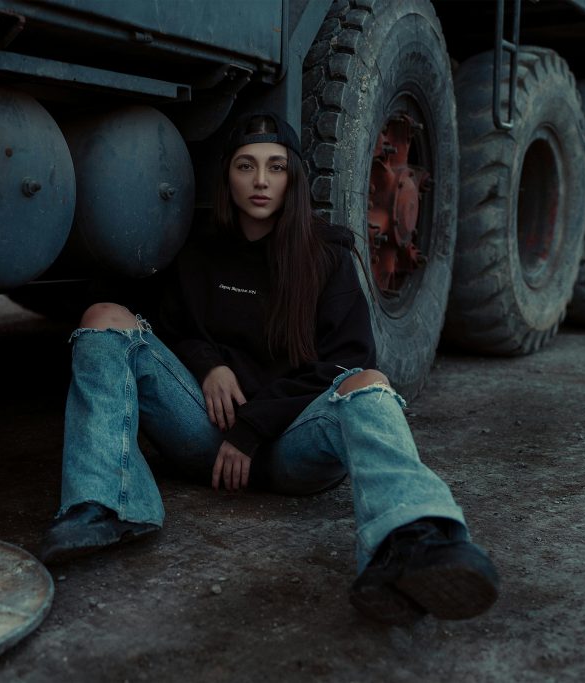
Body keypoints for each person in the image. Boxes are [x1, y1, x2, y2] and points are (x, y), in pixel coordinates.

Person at [39, 112, 499, 626]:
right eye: (245, 166)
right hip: (207, 436)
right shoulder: (195, 248)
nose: (260, 181)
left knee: (369, 383)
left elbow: (344, 360)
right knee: (103, 318)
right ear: (227, 176)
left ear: (293, 177)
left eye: (275, 167)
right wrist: (209, 366)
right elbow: (172, 328)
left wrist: (252, 428)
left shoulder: (327, 253)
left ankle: (412, 541)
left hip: (291, 448)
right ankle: (105, 504)